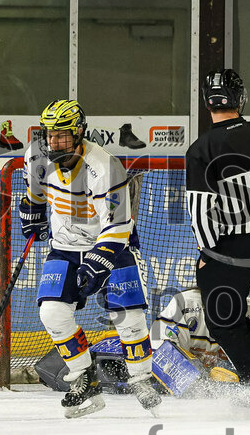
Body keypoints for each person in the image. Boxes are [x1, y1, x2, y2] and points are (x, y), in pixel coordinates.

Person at [19, 100, 161, 418]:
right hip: (64, 247)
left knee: (129, 317)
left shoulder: (105, 167)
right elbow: (35, 193)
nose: (55, 142)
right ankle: (84, 377)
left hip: (112, 246)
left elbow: (118, 225)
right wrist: (32, 210)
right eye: (50, 134)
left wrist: (97, 262)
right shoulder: (36, 155)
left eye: (62, 135)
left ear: (79, 132)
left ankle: (141, 379)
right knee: (52, 313)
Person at [185, 69, 250, 389]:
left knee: (225, 321)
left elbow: (201, 211)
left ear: (208, 102)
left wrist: (207, 253)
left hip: (230, 254)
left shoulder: (201, 149)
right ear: (240, 99)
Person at [154, 288, 250, 370]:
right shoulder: (184, 303)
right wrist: (197, 377)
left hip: (229, 393)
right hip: (184, 391)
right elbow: (160, 353)